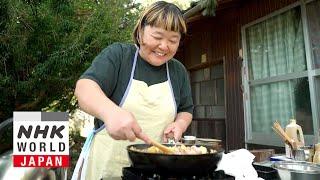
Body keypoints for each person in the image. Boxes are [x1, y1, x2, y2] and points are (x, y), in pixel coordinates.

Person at [72, 1, 193, 179]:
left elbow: (186, 110)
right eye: (157, 37)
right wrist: (110, 112)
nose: (164, 46)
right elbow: (84, 88)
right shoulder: (119, 56)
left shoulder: (178, 71)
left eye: (173, 40)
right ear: (140, 31)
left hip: (155, 172)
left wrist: (179, 125)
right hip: (107, 170)